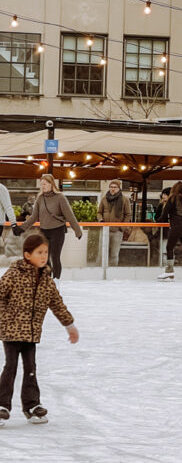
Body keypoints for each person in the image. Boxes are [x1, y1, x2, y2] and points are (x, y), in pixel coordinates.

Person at [0, 233, 79, 426]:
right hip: (11, 331)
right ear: (28, 255)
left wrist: (70, 326)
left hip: (31, 333)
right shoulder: (14, 274)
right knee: (10, 368)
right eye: (39, 252)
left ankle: (32, 406)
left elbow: (57, 304)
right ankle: (2, 405)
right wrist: (4, 317)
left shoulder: (46, 280)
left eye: (46, 252)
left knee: (31, 369)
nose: (44, 256)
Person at [15, 174, 82, 282]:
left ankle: (56, 281)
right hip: (44, 231)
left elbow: (69, 215)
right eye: (41, 184)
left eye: (45, 184)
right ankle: (47, 280)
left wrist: (77, 230)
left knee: (55, 256)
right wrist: (22, 228)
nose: (43, 186)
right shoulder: (40, 198)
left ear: (51, 184)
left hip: (57, 230)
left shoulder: (60, 197)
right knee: (45, 258)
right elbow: (34, 217)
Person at [97, 180, 132, 267]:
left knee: (114, 253)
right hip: (105, 230)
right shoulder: (104, 199)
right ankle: (99, 269)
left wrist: (122, 227)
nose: (112, 189)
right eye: (111, 187)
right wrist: (101, 220)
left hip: (117, 231)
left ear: (119, 189)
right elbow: (99, 212)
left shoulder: (124, 200)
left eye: (115, 187)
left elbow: (128, 214)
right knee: (101, 252)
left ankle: (112, 270)